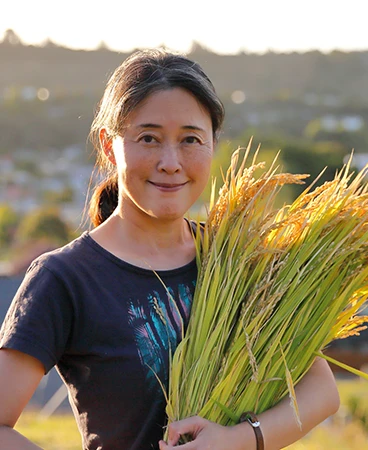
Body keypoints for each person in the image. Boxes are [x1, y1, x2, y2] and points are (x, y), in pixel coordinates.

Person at [0, 49, 340, 450]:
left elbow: (321, 389)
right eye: (149, 138)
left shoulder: (235, 259)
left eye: (190, 140)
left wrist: (237, 440)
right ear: (110, 148)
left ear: (213, 144)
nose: (170, 162)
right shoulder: (65, 278)